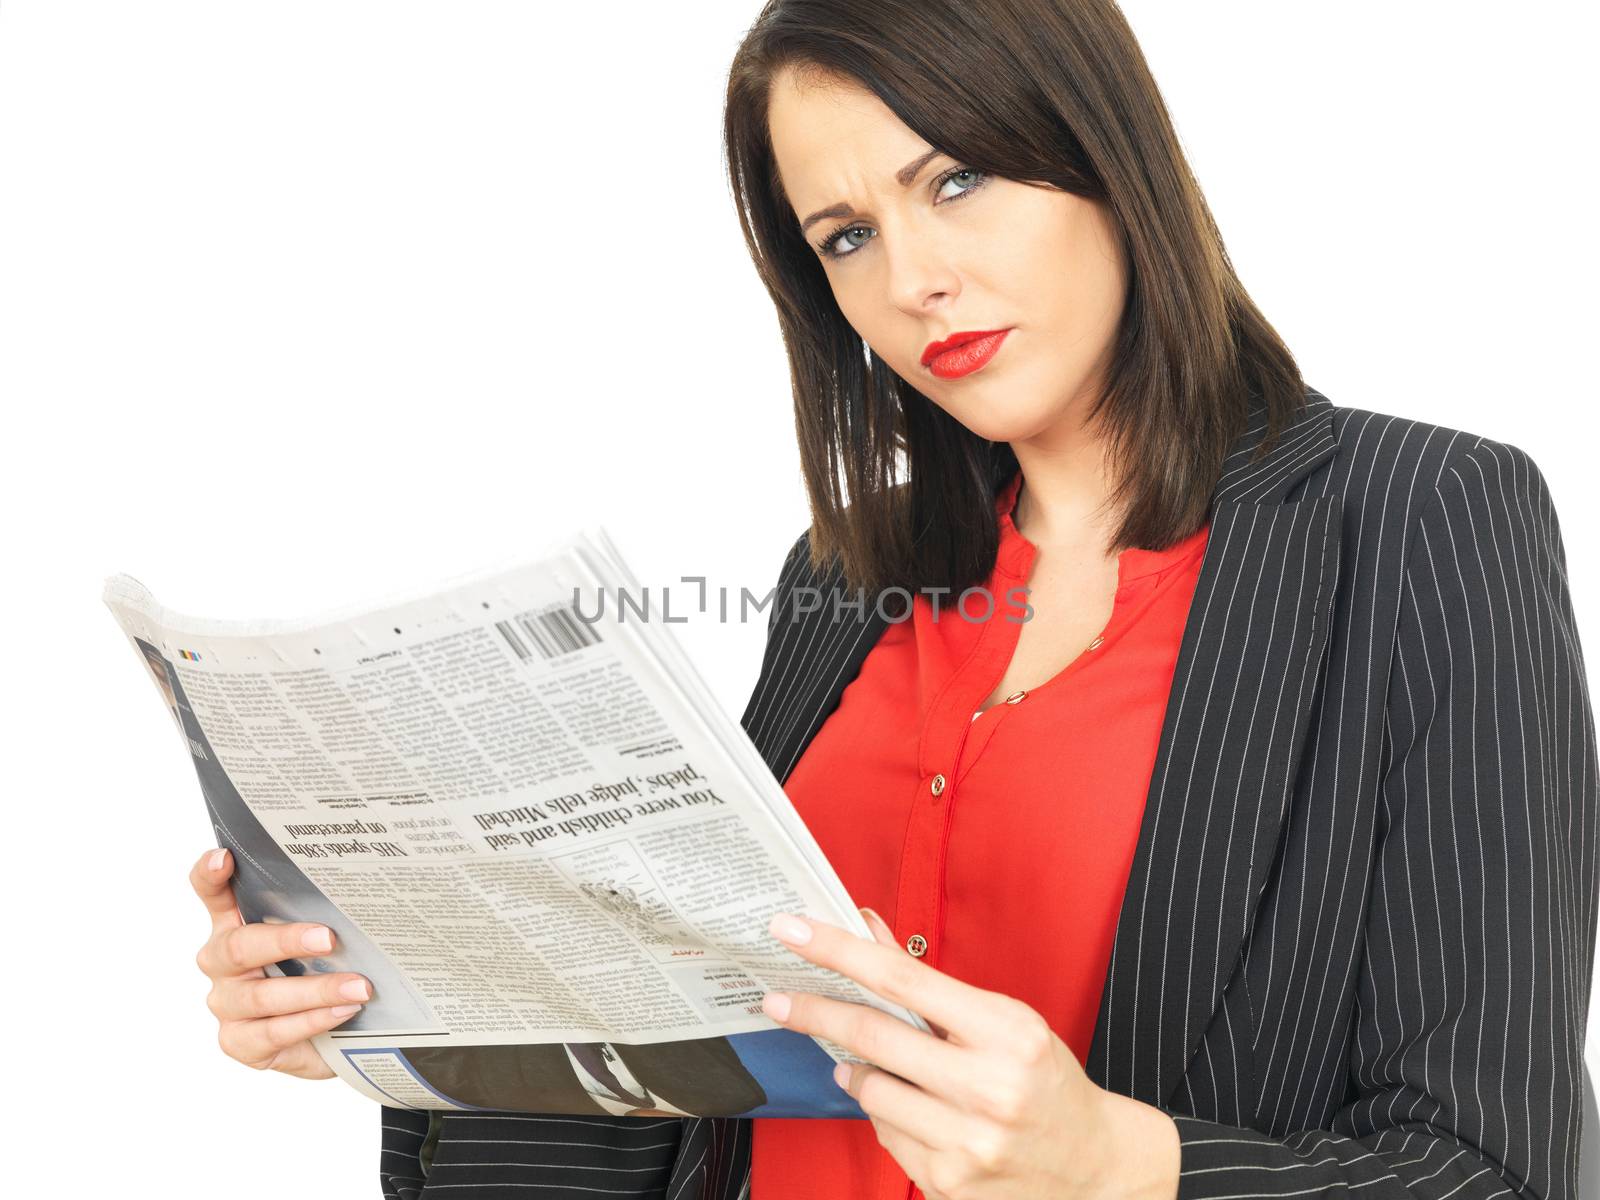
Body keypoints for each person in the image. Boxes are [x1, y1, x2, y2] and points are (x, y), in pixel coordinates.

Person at [187, 1, 1600, 1198]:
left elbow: (1493, 1166)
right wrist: (410, 1015)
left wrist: (1114, 1162)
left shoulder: (1421, 520)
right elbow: (696, 1104)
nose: (917, 279)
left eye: (957, 181)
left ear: (1106, 159)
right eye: (847, 235)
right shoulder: (843, 579)